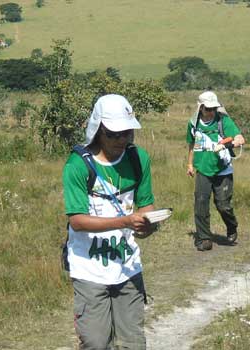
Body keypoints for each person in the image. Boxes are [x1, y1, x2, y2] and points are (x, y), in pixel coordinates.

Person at [62, 94, 157, 350]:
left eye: (126, 132)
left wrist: (148, 223)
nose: (121, 140)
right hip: (88, 269)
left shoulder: (139, 159)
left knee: (133, 343)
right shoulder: (77, 165)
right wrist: (124, 221)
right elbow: (78, 221)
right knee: (95, 342)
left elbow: (146, 204)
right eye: (113, 134)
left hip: (127, 266)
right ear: (98, 130)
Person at [186, 91, 245, 251]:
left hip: (222, 170)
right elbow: (191, 145)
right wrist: (190, 164)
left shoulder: (223, 121)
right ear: (201, 108)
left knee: (223, 205)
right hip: (203, 169)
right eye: (208, 109)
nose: (211, 112)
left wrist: (227, 144)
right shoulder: (193, 124)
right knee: (201, 203)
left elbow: (240, 138)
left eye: (214, 109)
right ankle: (205, 238)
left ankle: (231, 226)